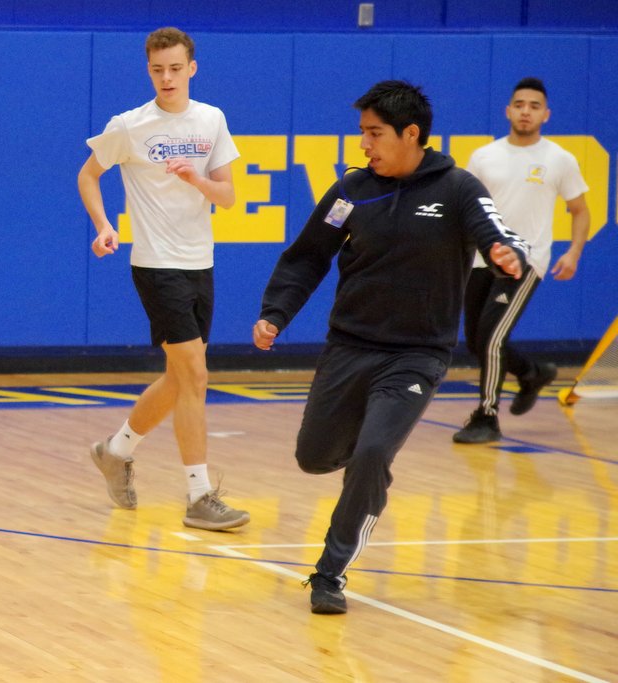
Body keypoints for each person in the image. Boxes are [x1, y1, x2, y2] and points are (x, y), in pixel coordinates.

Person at [252, 81, 528, 613]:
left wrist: (505, 252)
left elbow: (494, 231)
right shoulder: (351, 191)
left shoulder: (458, 189)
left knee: (374, 453)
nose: (364, 144)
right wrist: (275, 313)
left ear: (411, 133)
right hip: (349, 347)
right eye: (363, 132)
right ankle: (363, 465)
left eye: (374, 133)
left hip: (416, 355)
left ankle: (330, 572)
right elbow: (307, 257)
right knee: (313, 458)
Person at [76, 27, 249, 531]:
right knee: (195, 375)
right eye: (157, 69)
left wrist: (197, 178)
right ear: (148, 70)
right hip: (156, 264)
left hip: (201, 262)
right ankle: (199, 495)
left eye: (175, 68)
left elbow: (228, 197)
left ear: (191, 68)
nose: (166, 77)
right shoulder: (130, 126)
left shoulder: (212, 119)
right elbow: (88, 175)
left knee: (179, 379)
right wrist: (104, 225)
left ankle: (116, 450)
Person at [452, 77, 590, 444]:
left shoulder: (559, 159)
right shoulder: (484, 157)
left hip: (527, 259)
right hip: (481, 260)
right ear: (508, 111)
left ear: (546, 114)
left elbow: (579, 210)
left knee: (491, 338)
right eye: (519, 105)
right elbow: (466, 208)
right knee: (476, 342)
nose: (525, 111)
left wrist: (574, 252)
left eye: (534, 106)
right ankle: (532, 372)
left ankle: (486, 416)